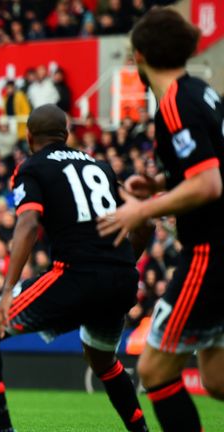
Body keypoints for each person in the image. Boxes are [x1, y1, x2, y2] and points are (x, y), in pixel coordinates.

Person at [0, 104, 150, 432]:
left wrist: (8, 290)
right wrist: (121, 264)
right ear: (66, 134)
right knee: (103, 361)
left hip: (76, 275)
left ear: (28, 136)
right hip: (122, 280)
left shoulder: (32, 167)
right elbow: (144, 223)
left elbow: (28, 225)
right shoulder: (101, 167)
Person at [97, 8, 224, 431]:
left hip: (208, 253)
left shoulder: (174, 105)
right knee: (218, 378)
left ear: (138, 55)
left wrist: (141, 209)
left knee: (153, 371)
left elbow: (208, 185)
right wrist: (159, 186)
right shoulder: (201, 92)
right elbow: (206, 172)